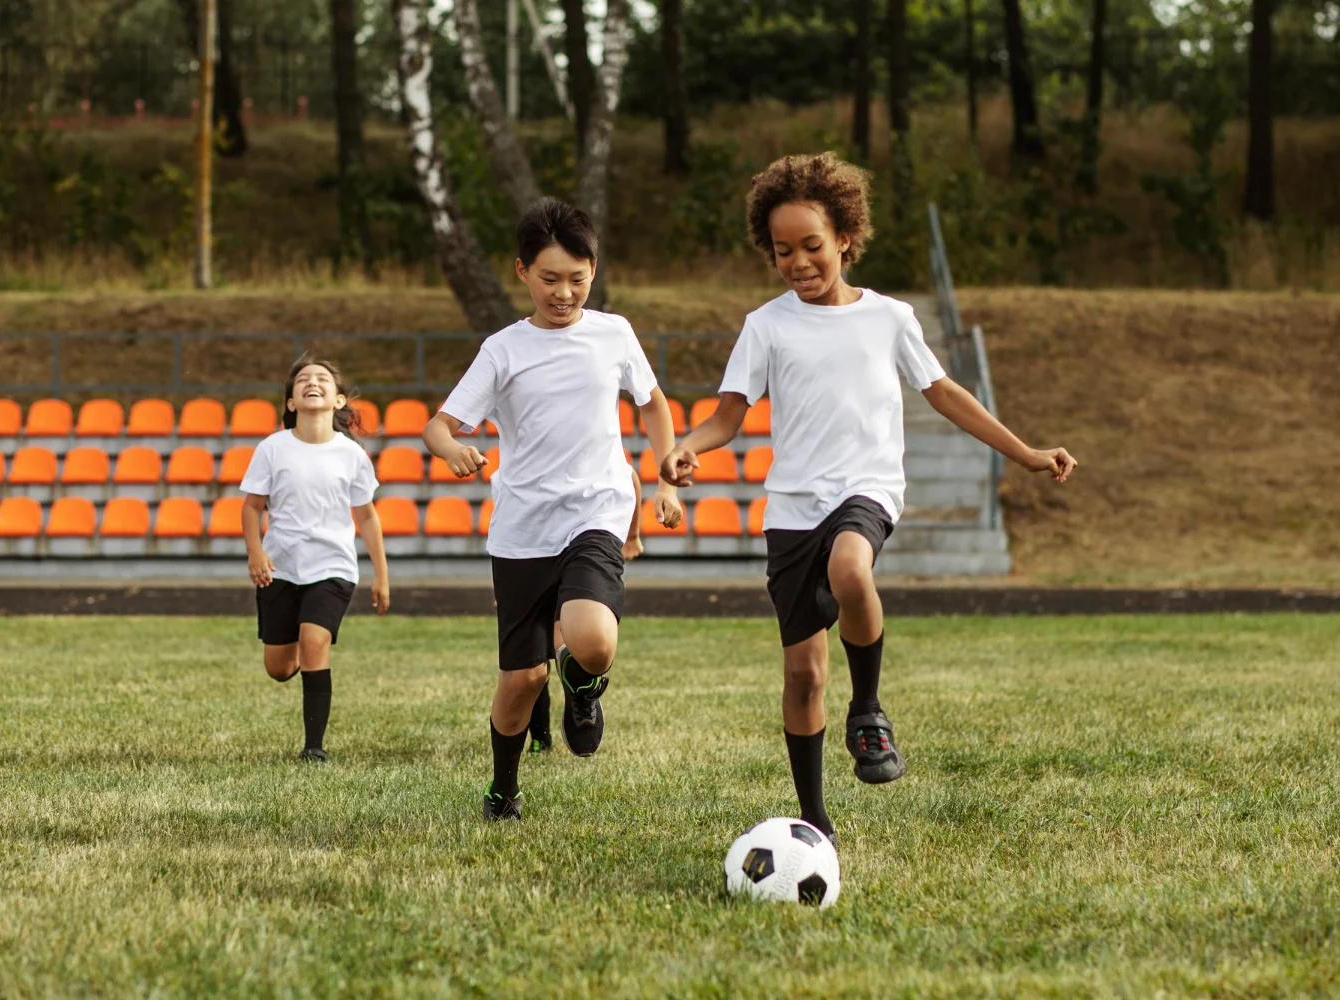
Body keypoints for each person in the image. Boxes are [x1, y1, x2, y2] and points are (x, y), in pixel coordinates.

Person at [660, 152, 1077, 841]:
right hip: (793, 508)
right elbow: (729, 415)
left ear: (845, 238)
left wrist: (1025, 453)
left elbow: (945, 394)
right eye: (782, 250)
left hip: (867, 489)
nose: (798, 262)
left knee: (851, 568)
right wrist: (687, 445)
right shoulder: (766, 326)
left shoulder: (891, 318)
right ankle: (814, 819)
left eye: (812, 246)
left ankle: (870, 713)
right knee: (802, 676)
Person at [423, 197, 682, 821]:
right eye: (549, 279)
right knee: (523, 678)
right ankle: (503, 789)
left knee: (593, 642)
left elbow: (652, 405)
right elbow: (438, 425)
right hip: (521, 529)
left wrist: (665, 471)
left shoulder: (614, 333)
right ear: (521, 272)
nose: (564, 292)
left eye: (577, 278)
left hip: (596, 507)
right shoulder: (502, 350)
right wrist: (455, 448)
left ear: (594, 270)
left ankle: (586, 687)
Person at [241, 356, 391, 762]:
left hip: (333, 567)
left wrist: (381, 575)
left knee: (314, 640)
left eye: (322, 379)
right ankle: (300, 658)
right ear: (290, 402)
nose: (312, 382)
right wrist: (256, 552)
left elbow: (366, 516)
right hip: (281, 567)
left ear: (338, 400)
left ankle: (314, 747)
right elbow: (253, 507)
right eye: (303, 380)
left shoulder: (352, 455)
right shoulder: (272, 448)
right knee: (278, 666)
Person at [527, 466, 646, 755]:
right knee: (530, 663)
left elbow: (628, 475)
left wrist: (632, 535)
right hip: (535, 547)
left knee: (564, 643)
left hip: (586, 544)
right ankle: (540, 738)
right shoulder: (525, 455)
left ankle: (579, 687)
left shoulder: (591, 439)